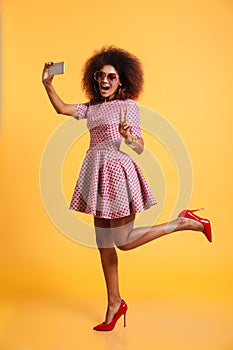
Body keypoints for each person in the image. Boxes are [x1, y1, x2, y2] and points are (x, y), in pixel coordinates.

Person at [42, 46, 212, 332]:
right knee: (103, 245)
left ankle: (183, 222)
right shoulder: (92, 107)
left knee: (123, 241)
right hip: (95, 172)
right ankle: (114, 303)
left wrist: (128, 136)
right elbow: (62, 108)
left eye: (111, 76)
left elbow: (140, 147)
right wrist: (47, 83)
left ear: (121, 81)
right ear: (94, 79)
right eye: (100, 76)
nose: (105, 81)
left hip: (116, 173)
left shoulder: (128, 107)